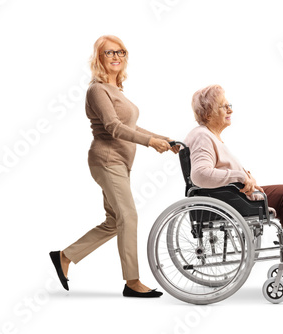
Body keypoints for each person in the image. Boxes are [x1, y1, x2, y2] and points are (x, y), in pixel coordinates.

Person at [50, 35, 179, 297]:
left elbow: (129, 126)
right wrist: (149, 142)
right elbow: (113, 127)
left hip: (120, 161)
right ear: (99, 58)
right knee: (129, 216)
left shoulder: (116, 90)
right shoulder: (97, 89)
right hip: (107, 159)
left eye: (120, 52)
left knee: (114, 221)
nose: (116, 57)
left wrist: (163, 138)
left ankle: (64, 256)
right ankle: (132, 282)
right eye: (109, 53)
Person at [183, 84, 283, 276]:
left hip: (230, 196)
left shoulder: (208, 135)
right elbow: (200, 175)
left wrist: (245, 177)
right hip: (226, 200)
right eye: (223, 106)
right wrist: (241, 176)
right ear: (208, 114)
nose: (230, 110)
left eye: (229, 105)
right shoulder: (203, 136)